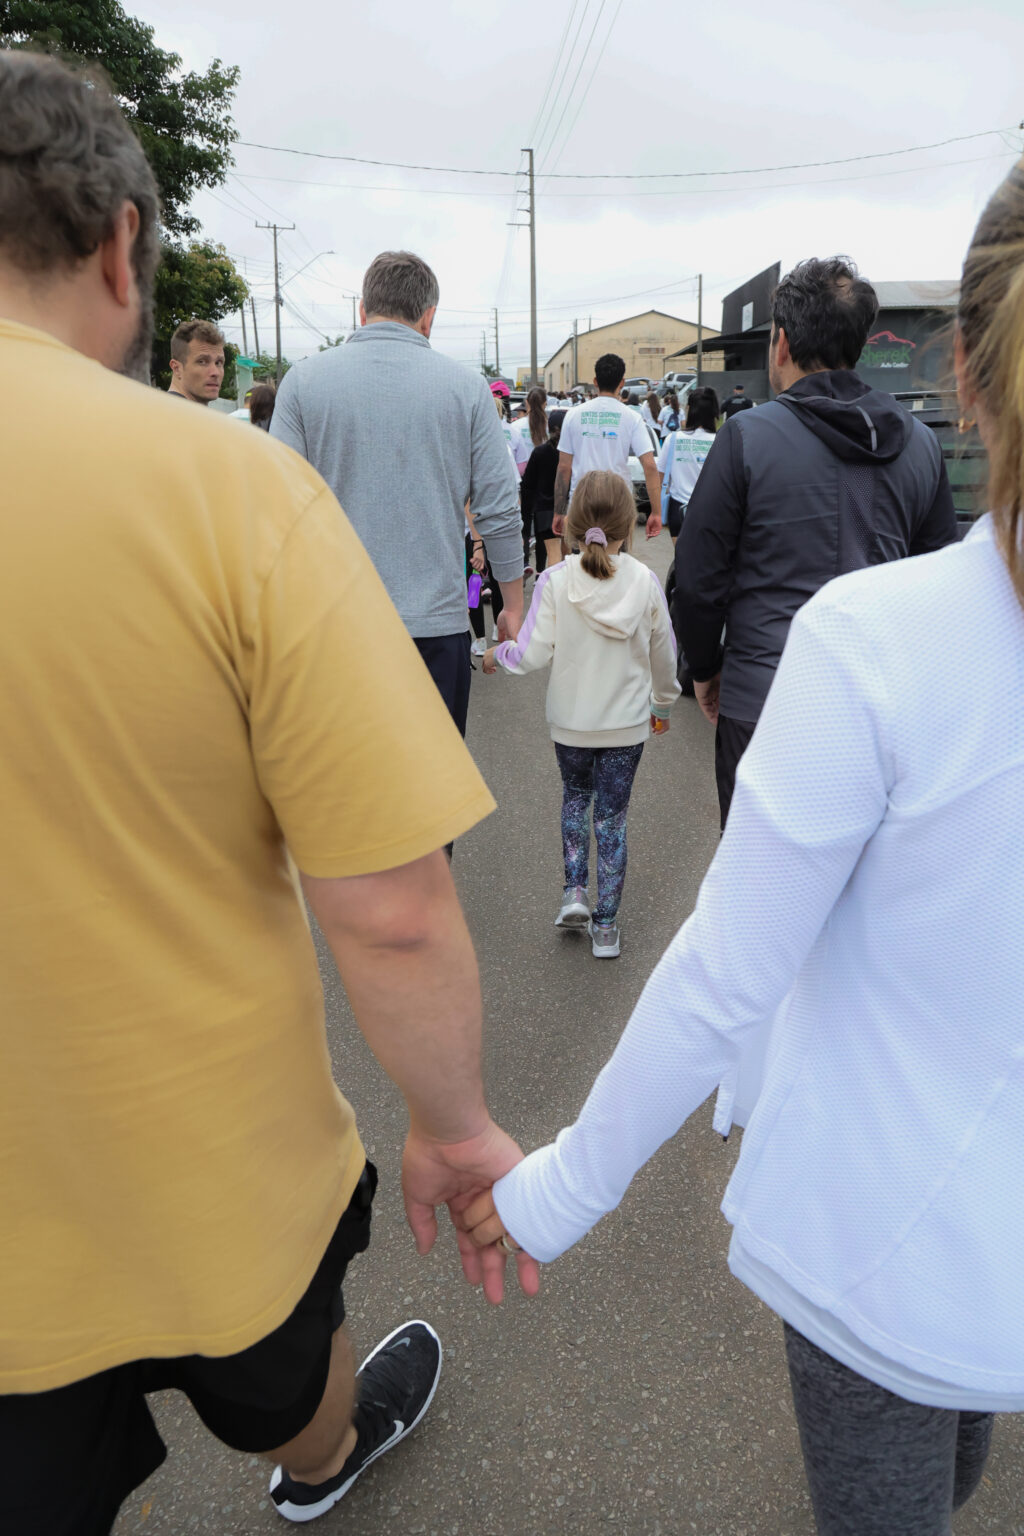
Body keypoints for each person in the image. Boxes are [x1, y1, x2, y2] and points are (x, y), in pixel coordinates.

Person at [0, 53, 538, 1536]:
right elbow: (390, 910)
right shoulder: (215, 487)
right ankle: (320, 1463)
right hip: (205, 1166)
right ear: (121, 245)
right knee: (285, 1372)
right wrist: (452, 1123)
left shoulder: (290, 409)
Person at [466, 158, 1024, 1536]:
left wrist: (559, 1188)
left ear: (963, 365)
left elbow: (702, 579)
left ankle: (749, 1091)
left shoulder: (841, 582)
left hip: (877, 1233)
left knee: (778, 932)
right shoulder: (909, 464)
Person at [675, 256, 958, 828]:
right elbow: (938, 588)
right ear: (858, 344)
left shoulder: (746, 438)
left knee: (761, 874)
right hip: (877, 713)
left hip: (763, 702)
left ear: (780, 342)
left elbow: (698, 580)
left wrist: (704, 668)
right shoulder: (921, 445)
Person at [271, 252, 524, 740]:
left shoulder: (303, 382)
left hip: (331, 628)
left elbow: (276, 506)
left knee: (339, 780)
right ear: (429, 318)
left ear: (362, 310)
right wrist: (511, 603)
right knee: (432, 781)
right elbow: (498, 508)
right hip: (435, 627)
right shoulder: (467, 389)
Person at [482, 470, 679, 958]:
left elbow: (530, 653)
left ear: (570, 524)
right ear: (627, 526)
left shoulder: (555, 580)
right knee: (612, 820)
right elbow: (665, 656)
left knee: (575, 801)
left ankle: (574, 892)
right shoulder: (645, 582)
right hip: (626, 727)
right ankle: (606, 927)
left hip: (570, 725)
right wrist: (662, 704)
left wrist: (494, 654)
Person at [555, 353, 663, 540]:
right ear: (622, 383)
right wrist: (656, 512)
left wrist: (558, 511)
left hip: (581, 502)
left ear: (595, 382)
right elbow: (650, 466)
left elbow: (564, 467)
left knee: (581, 556)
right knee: (616, 556)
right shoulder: (632, 418)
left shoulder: (573, 415)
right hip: (618, 502)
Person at [657, 385, 718, 544]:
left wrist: (655, 510)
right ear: (714, 412)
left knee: (681, 556)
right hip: (710, 511)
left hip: (677, 510)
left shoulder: (673, 439)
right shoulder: (720, 441)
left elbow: (660, 477)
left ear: (689, 409)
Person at [520, 407, 567, 576]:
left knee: (549, 551)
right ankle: (564, 584)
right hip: (568, 508)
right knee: (567, 554)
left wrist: (526, 513)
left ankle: (542, 579)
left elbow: (528, 485)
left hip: (544, 510)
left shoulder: (540, 452)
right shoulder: (571, 453)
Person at [167, 318, 226, 404]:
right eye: (202, 362)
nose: (215, 373)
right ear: (177, 368)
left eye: (218, 363)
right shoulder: (170, 410)